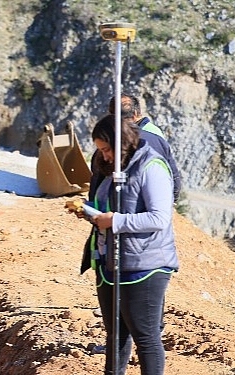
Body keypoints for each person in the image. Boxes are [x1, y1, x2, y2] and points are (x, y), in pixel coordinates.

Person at [80, 114, 179, 375]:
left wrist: (115, 221)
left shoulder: (151, 167)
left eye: (106, 149)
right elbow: (109, 205)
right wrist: (90, 212)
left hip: (145, 265)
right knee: (115, 334)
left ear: (121, 142)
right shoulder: (111, 168)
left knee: (145, 337)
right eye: (99, 150)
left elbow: (159, 217)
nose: (104, 156)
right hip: (110, 262)